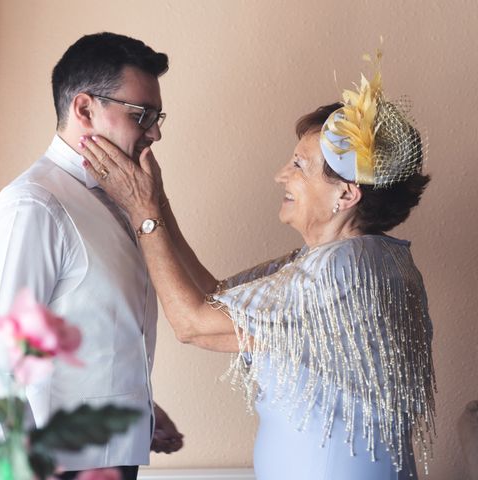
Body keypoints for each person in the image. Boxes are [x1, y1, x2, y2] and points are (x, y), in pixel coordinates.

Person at [80, 62, 436, 479]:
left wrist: (142, 212)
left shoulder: (342, 272)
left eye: (300, 166)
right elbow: (216, 294)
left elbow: (193, 323)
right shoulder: (358, 258)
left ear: (346, 193)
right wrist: (155, 200)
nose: (281, 174)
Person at [0, 32, 183, 480]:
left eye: (158, 116)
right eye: (143, 115)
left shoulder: (117, 200)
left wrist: (136, 407)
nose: (154, 132)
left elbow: (92, 330)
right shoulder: (33, 207)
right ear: (84, 109)